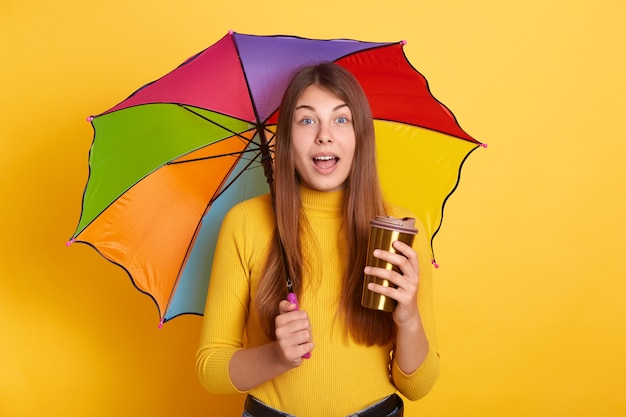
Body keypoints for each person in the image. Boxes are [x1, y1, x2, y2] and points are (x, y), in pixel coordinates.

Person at [196, 62, 439, 417]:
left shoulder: (399, 231)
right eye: (307, 120)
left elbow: (419, 386)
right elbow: (210, 367)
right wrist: (276, 356)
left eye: (341, 119)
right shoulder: (245, 223)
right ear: (287, 138)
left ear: (360, 136)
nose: (324, 135)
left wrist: (409, 318)